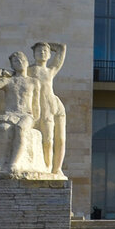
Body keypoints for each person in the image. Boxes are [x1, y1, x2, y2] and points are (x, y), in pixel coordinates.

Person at [0, 50, 42, 175]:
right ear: (12, 65)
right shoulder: (8, 81)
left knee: (20, 129)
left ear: (27, 62)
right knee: (4, 128)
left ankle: (14, 162)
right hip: (11, 114)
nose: (19, 63)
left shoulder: (34, 82)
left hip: (26, 114)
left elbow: (36, 103)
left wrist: (35, 119)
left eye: (22, 60)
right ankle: (1, 162)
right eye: (15, 61)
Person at [29, 41, 67, 176]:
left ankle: (56, 168)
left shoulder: (50, 70)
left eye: (45, 51)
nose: (42, 53)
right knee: (46, 139)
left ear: (50, 55)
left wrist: (48, 44)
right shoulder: (29, 70)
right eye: (39, 51)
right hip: (40, 106)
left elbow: (62, 48)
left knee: (57, 139)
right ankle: (47, 167)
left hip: (52, 105)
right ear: (33, 54)